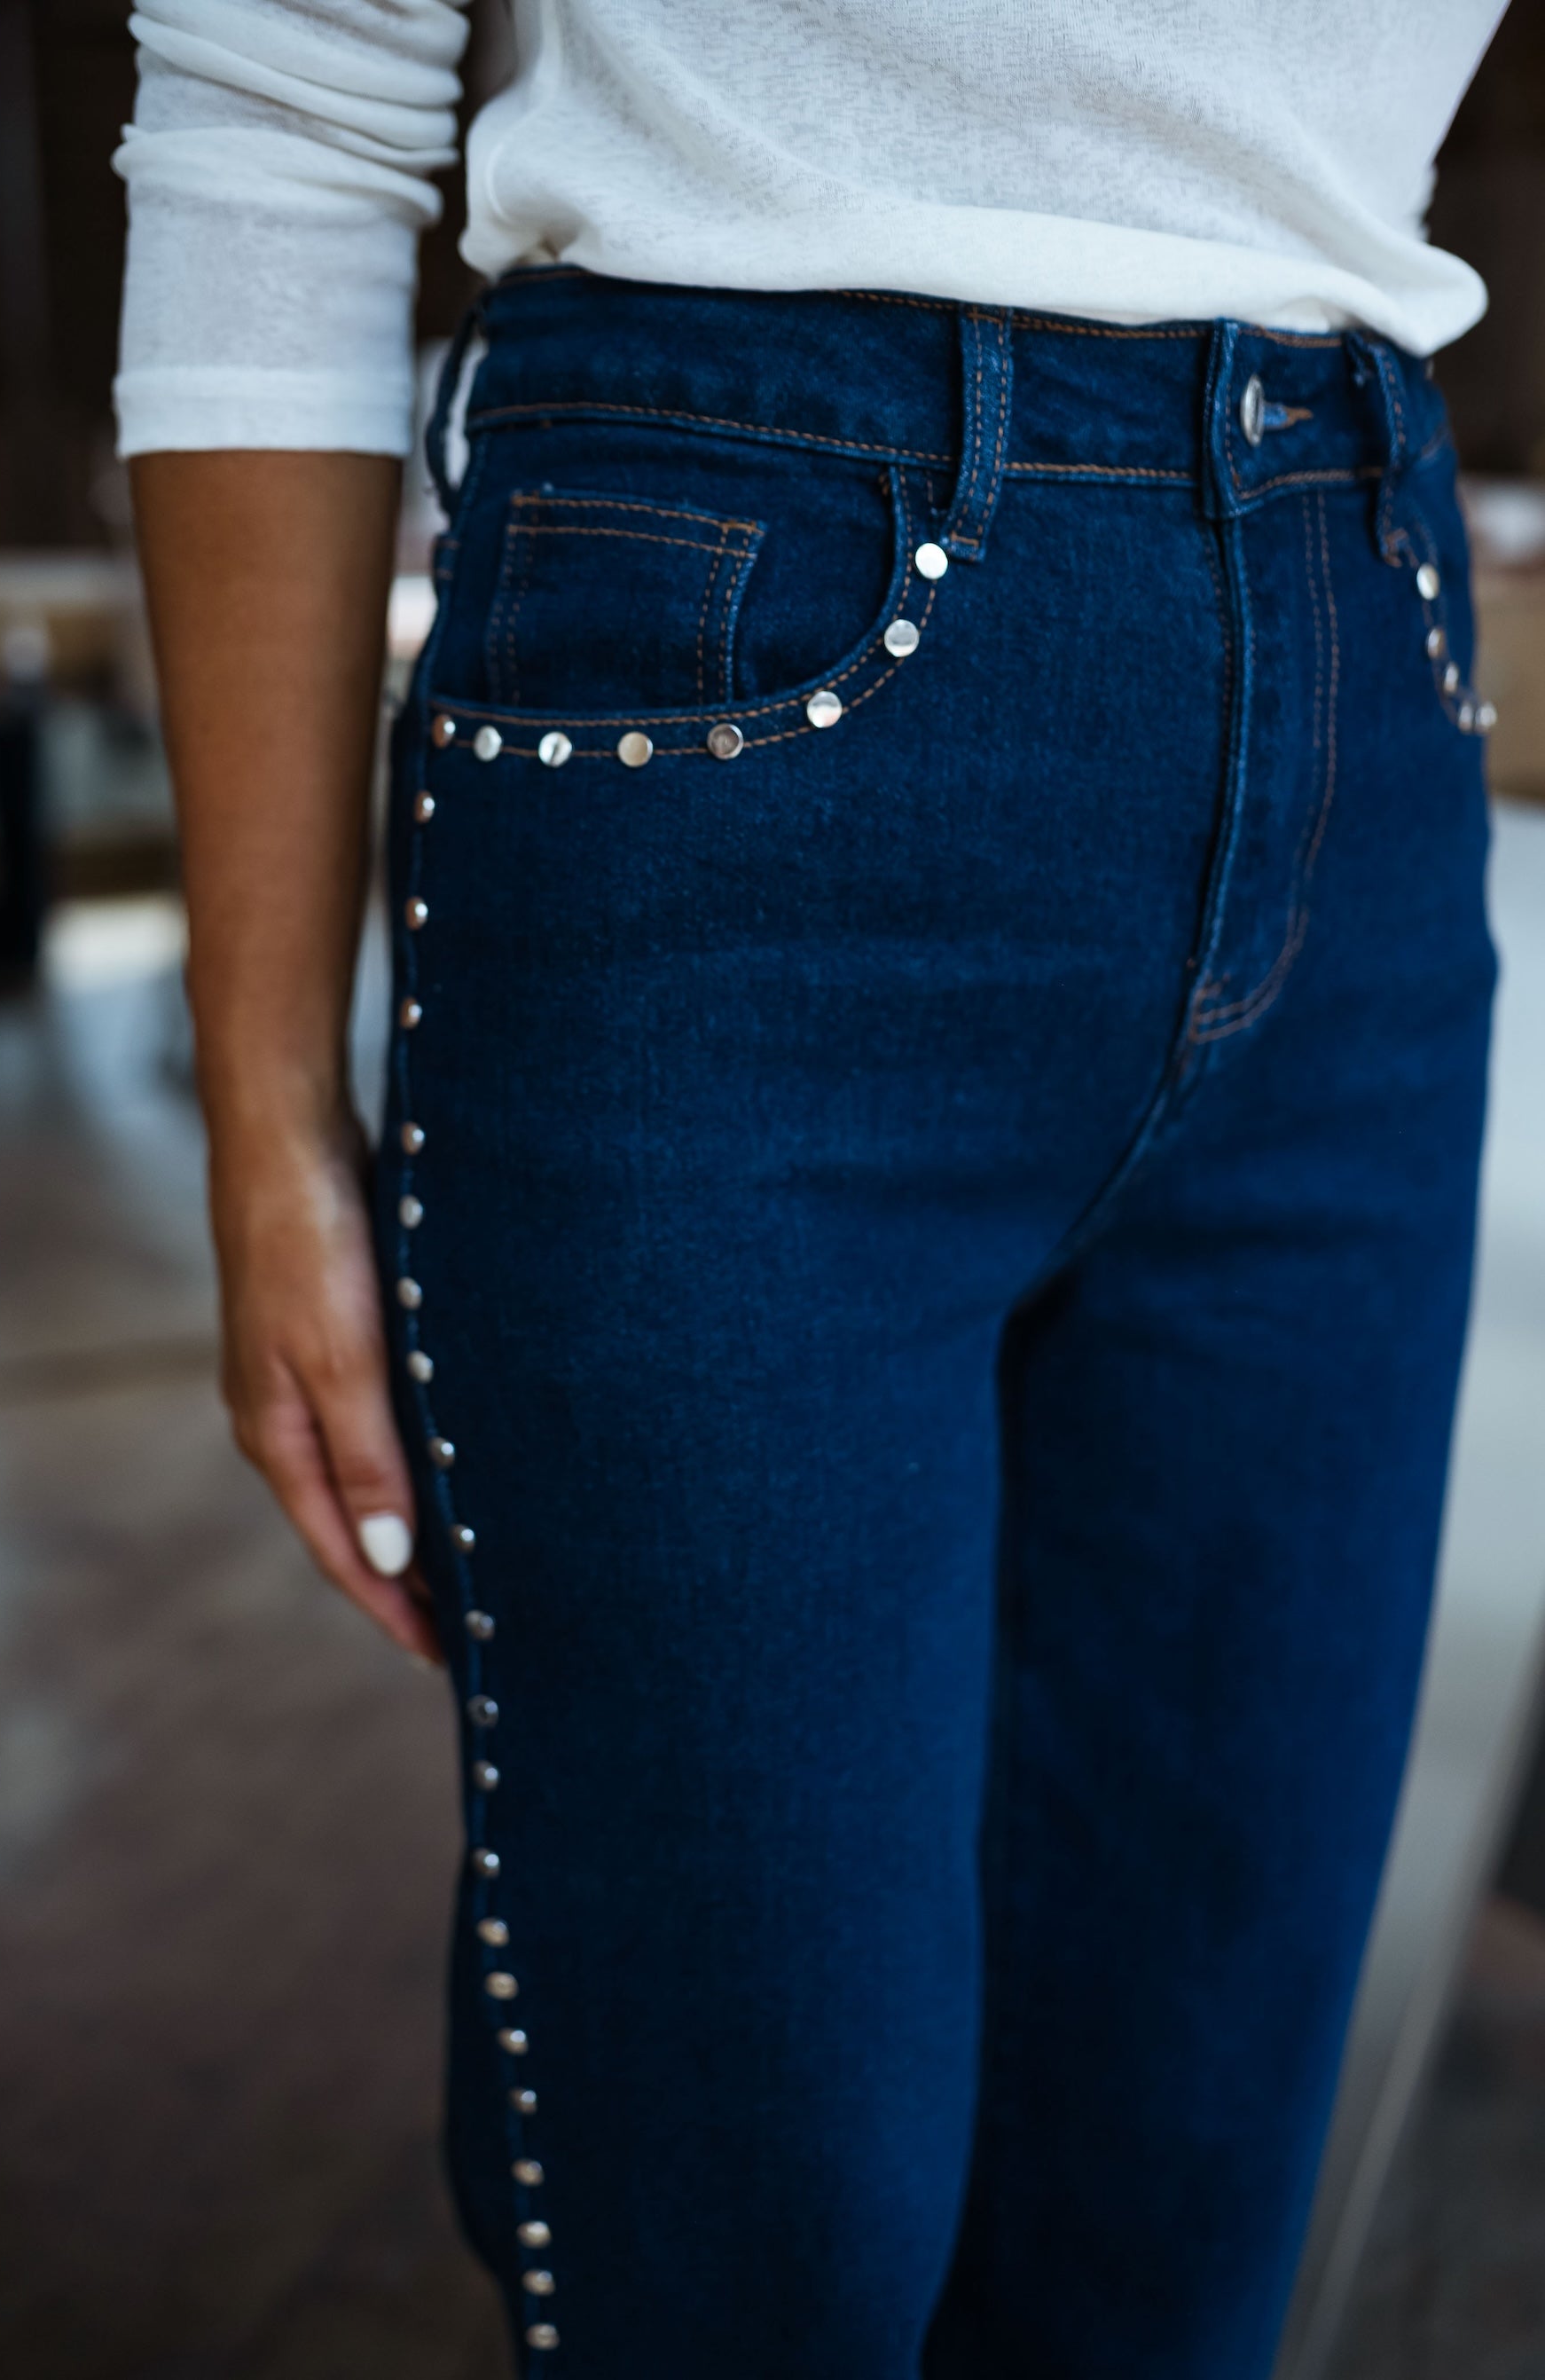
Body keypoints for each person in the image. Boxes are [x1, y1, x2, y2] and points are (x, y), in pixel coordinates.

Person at [115, 6, 1510, 2375]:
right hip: (733, 658)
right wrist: (267, 1103)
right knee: (752, 2251)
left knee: (1166, 2237)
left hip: (1362, 637)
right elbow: (281, 92)